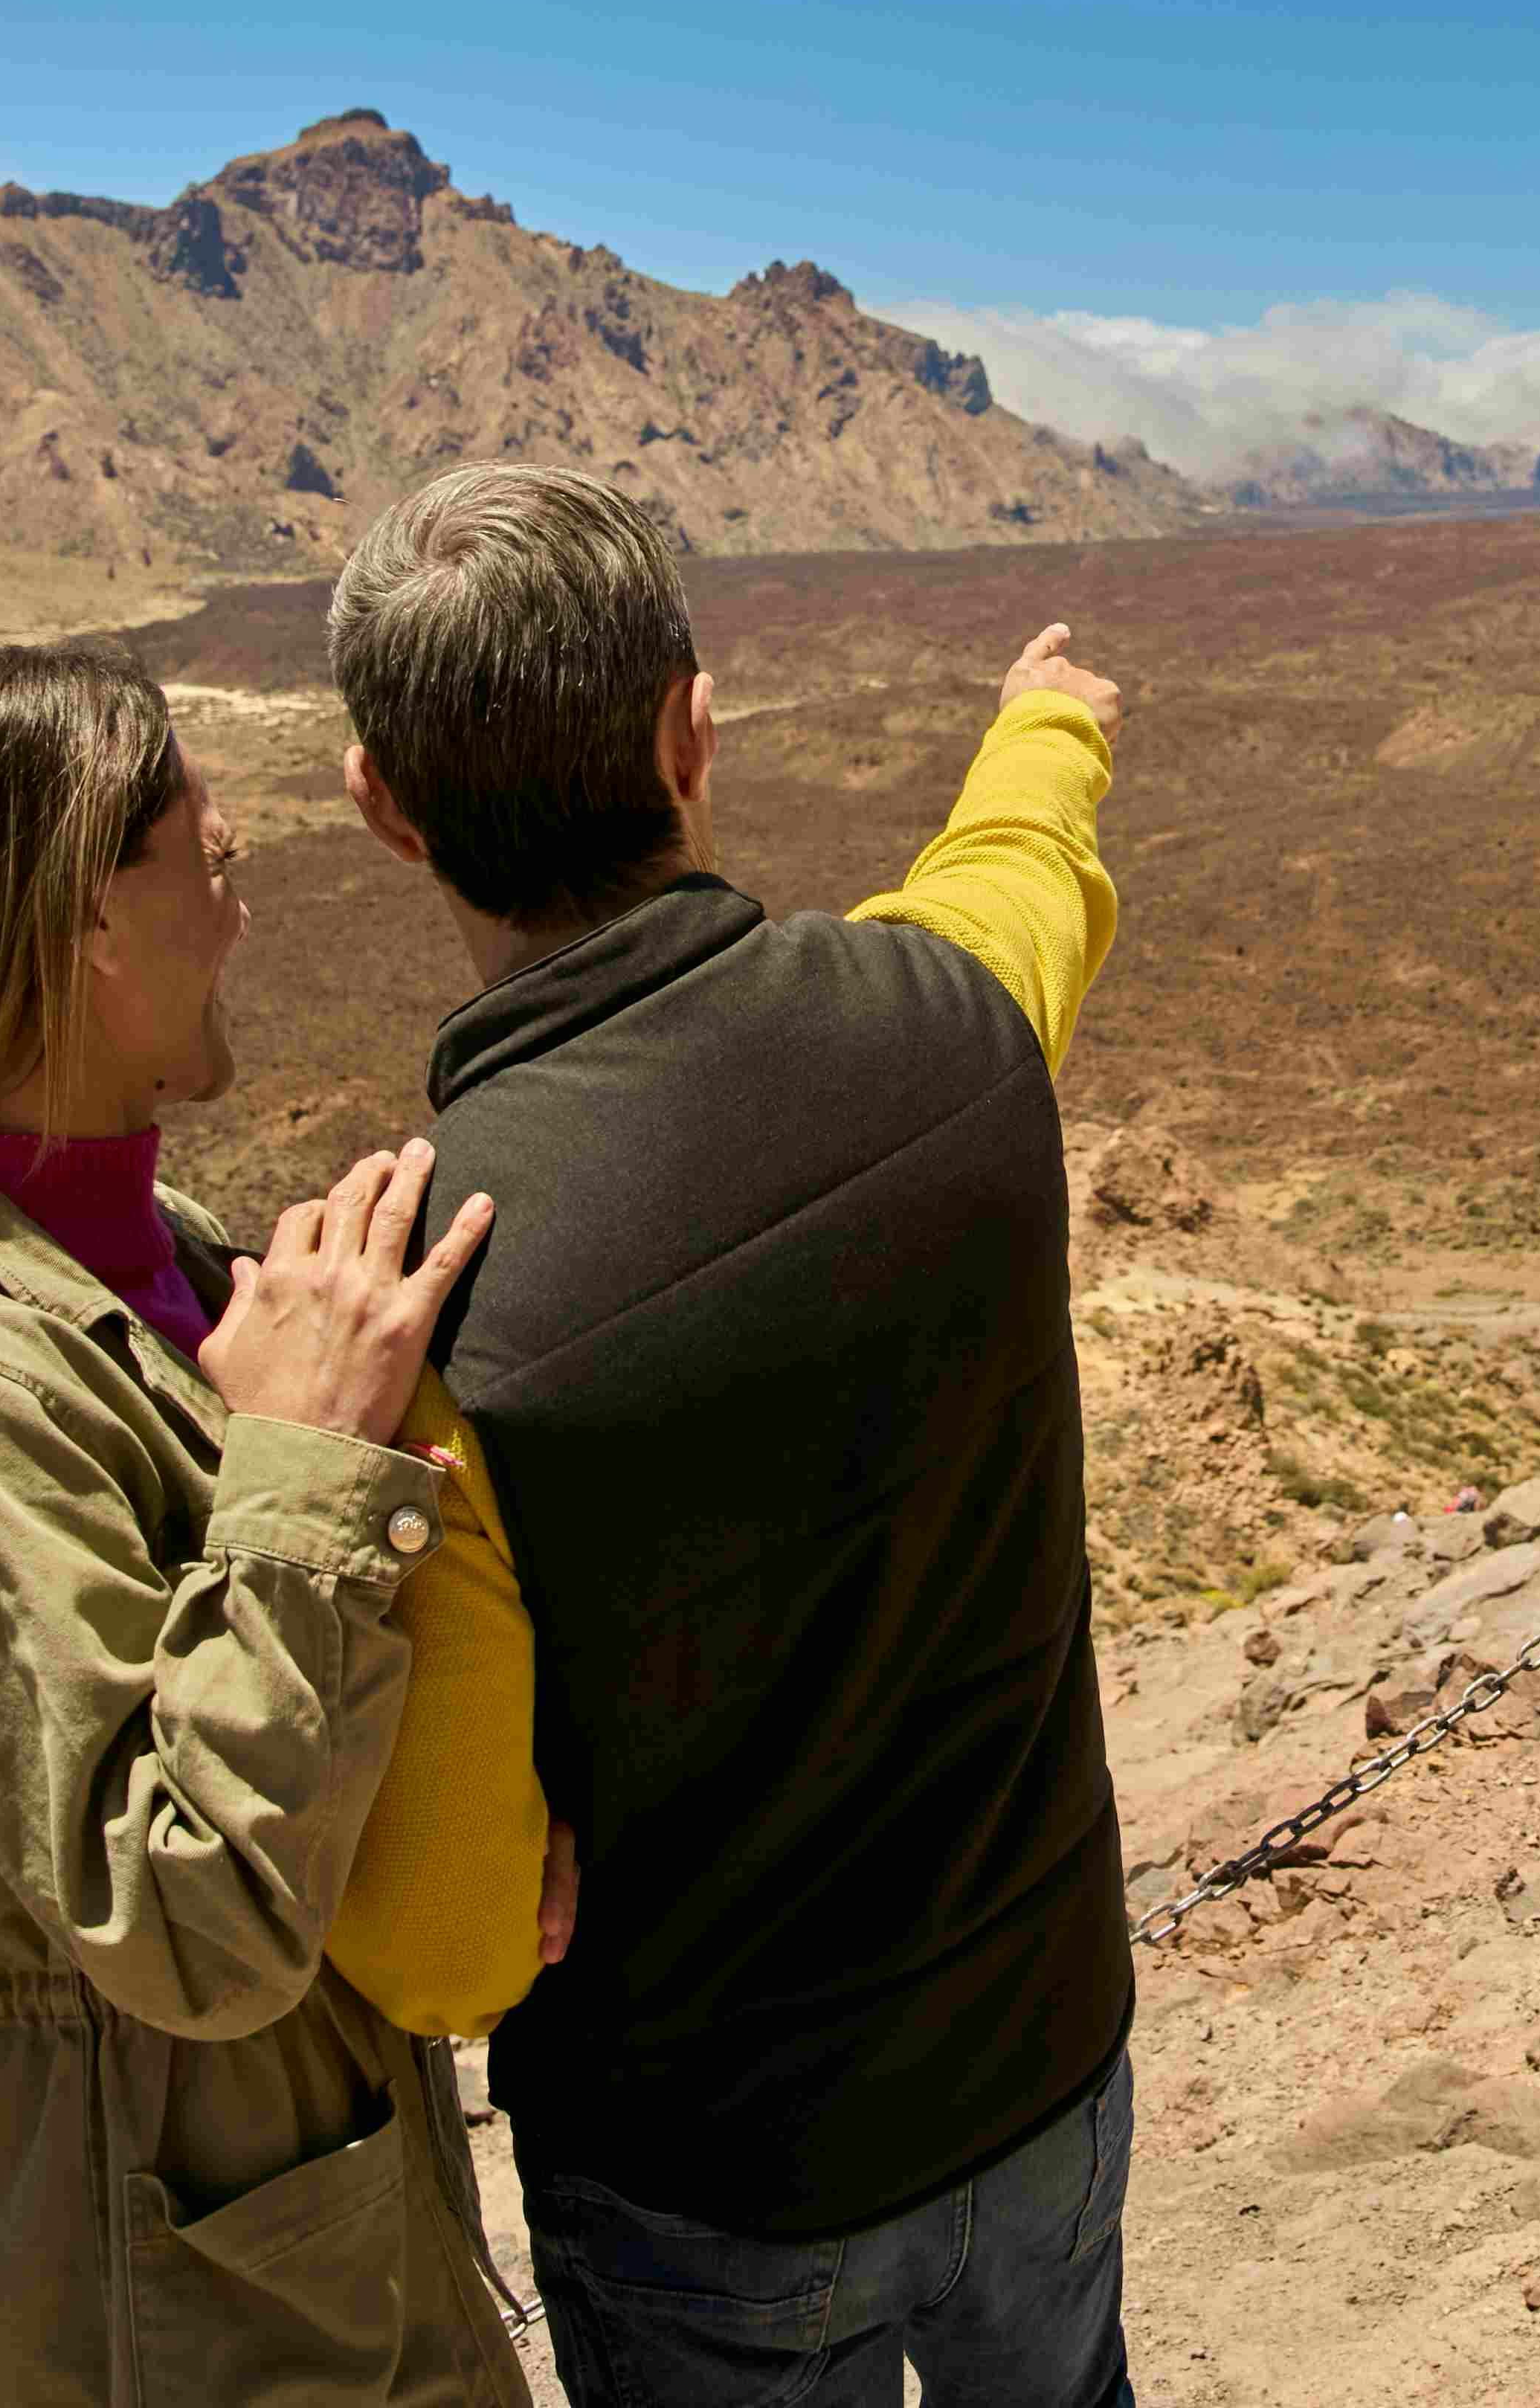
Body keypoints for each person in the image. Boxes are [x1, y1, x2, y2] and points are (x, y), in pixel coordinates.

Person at [326, 464, 1138, 2408]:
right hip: (1038, 2046)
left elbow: (447, 1955)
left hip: (717, 2188)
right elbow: (1008, 895)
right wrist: (1042, 734)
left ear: (382, 805)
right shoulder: (954, 1034)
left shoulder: (433, 1306)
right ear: (695, 728)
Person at [0, 641, 555, 2406]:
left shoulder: (148, 1251)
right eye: (216, 863)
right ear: (89, 923)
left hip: (280, 2260)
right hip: (140, 2317)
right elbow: (185, 1917)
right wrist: (304, 1469)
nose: (241, 913)